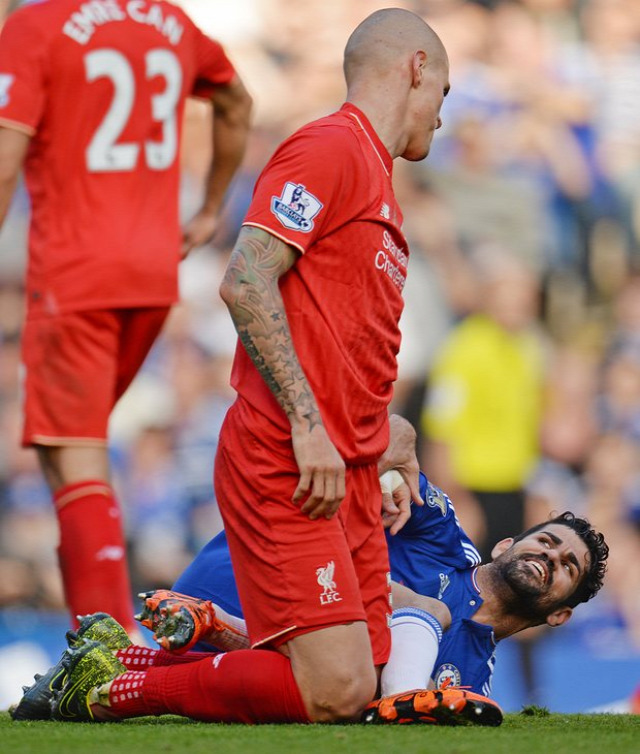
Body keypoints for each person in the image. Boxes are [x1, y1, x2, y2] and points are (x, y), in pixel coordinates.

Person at [10, 6, 451, 726]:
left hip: (350, 474)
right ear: (416, 69)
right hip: (291, 461)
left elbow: (344, 346)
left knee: (365, 680)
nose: (440, 115)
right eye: (444, 94)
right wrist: (309, 427)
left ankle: (169, 643)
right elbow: (246, 278)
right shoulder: (330, 149)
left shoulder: (373, 176)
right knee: (335, 692)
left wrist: (382, 445)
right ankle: (113, 689)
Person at [0, 0, 252, 636]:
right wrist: (211, 205)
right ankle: (91, 633)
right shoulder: (166, 22)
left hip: (74, 274)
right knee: (65, 454)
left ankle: (106, 650)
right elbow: (236, 103)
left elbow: (4, 160)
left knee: (75, 455)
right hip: (150, 272)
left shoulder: (35, 26)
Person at [10, 470, 607, 726]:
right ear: (507, 541)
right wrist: (391, 478)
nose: (550, 557)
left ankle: (115, 665)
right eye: (547, 542)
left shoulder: (473, 680)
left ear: (559, 612)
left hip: (241, 655)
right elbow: (383, 465)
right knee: (403, 634)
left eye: (565, 568)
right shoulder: (446, 536)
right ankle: (151, 661)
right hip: (252, 568)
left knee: (357, 682)